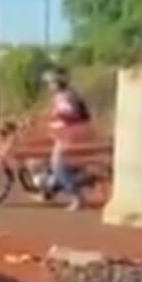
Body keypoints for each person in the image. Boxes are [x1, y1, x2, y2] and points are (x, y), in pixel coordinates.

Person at [43, 66, 92, 211]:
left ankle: (77, 198)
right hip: (67, 134)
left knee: (58, 166)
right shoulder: (62, 96)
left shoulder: (67, 96)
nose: (49, 86)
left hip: (73, 135)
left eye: (51, 82)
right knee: (52, 164)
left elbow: (72, 115)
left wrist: (57, 116)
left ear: (58, 82)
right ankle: (49, 190)